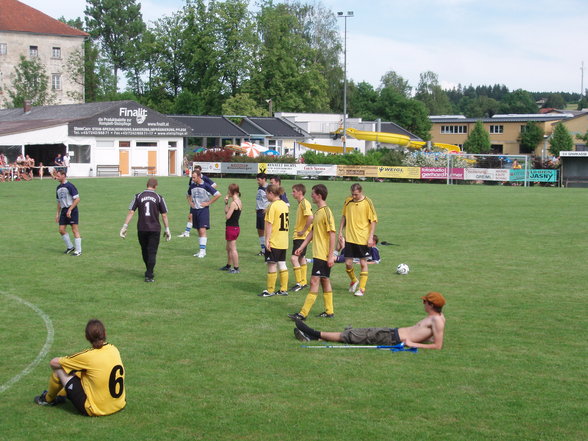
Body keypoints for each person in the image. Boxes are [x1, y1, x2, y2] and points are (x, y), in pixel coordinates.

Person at [33, 319, 126, 416]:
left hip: (96, 409)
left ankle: (47, 399)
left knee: (59, 370)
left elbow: (53, 363)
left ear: (86, 337)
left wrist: (69, 364)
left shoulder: (87, 356)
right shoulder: (114, 349)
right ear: (105, 333)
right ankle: (63, 393)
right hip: (119, 404)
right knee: (82, 373)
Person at [294, 292, 446, 350]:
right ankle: (314, 337)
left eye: (425, 302)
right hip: (390, 333)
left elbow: (437, 346)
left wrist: (413, 344)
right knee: (358, 333)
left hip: (391, 338)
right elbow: (430, 336)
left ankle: (312, 332)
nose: (423, 303)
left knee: (353, 335)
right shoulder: (437, 318)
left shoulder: (437, 320)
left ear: (431, 305)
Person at [288, 184, 336, 320]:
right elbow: (313, 232)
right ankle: (329, 311)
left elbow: (332, 234)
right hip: (319, 254)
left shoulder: (326, 212)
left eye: (313, 193)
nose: (311, 195)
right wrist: (302, 246)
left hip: (323, 254)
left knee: (314, 281)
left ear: (319, 195)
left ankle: (303, 313)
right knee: (325, 281)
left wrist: (331, 255)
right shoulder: (318, 212)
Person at [120, 178, 171, 282]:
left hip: (142, 228)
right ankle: (149, 274)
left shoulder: (138, 196)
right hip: (155, 229)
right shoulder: (159, 197)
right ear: (156, 186)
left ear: (146, 185)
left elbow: (131, 212)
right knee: (152, 252)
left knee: (144, 250)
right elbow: (164, 215)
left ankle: (148, 271)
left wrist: (125, 226)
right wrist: (167, 229)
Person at [338, 183, 378, 297]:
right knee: (348, 263)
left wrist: (370, 237)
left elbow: (373, 221)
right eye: (352, 194)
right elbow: (344, 217)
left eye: (356, 194)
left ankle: (362, 288)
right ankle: (354, 280)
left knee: (362, 262)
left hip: (362, 238)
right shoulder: (348, 201)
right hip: (350, 237)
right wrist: (340, 231)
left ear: (361, 192)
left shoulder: (367, 202)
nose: (354, 196)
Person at [259, 184, 289, 297]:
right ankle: (283, 289)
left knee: (271, 264)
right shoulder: (284, 204)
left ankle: (270, 290)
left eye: (266, 193)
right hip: (283, 240)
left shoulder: (273, 206)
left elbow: (269, 224)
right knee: (282, 263)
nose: (266, 195)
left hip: (274, 240)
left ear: (271, 193)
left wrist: (267, 240)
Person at [186, 169, 221, 258]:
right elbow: (188, 195)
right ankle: (201, 250)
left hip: (203, 210)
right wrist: (190, 203)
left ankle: (203, 251)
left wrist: (208, 203)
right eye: (192, 177)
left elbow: (218, 194)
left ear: (199, 176)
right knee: (198, 230)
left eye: (194, 177)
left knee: (202, 230)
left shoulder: (206, 185)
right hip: (195, 210)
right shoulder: (192, 186)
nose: (192, 179)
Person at [178, 165, 217, 237]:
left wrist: (207, 192)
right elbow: (189, 190)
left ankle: (187, 232)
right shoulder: (192, 180)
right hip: (194, 200)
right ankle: (187, 232)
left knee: (200, 226)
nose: (193, 178)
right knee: (190, 216)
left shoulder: (204, 178)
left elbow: (214, 185)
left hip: (202, 203)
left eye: (198, 170)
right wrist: (190, 200)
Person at [290, 183, 313, 292]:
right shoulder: (301, 203)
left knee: (294, 258)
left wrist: (303, 230)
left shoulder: (304, 203)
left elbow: (311, 217)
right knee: (301, 258)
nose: (292, 193)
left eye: (294, 191)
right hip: (302, 236)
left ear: (300, 192)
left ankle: (299, 283)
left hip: (301, 237)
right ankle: (303, 282)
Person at [55, 170, 82, 256]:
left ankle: (78, 251)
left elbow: (77, 199)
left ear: (63, 175)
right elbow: (59, 202)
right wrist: (57, 214)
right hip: (63, 211)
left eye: (58, 176)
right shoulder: (58, 188)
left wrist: (70, 209)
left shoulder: (70, 186)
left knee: (74, 230)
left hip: (72, 210)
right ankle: (70, 247)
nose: (57, 177)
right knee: (61, 230)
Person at [219, 183, 242, 274]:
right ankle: (228, 265)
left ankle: (236, 268)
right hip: (234, 227)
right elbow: (226, 211)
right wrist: (226, 203)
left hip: (232, 228)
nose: (228, 192)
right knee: (228, 248)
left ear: (233, 191)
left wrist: (228, 205)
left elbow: (227, 216)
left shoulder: (234, 203)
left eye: (229, 190)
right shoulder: (239, 201)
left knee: (232, 249)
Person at [255, 172, 269, 256]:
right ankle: (263, 250)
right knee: (260, 230)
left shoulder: (268, 188)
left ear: (264, 179)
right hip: (259, 211)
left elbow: (274, 199)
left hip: (265, 212)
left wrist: (267, 208)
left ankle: (268, 250)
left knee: (267, 231)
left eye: (259, 180)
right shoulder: (260, 187)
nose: (257, 181)